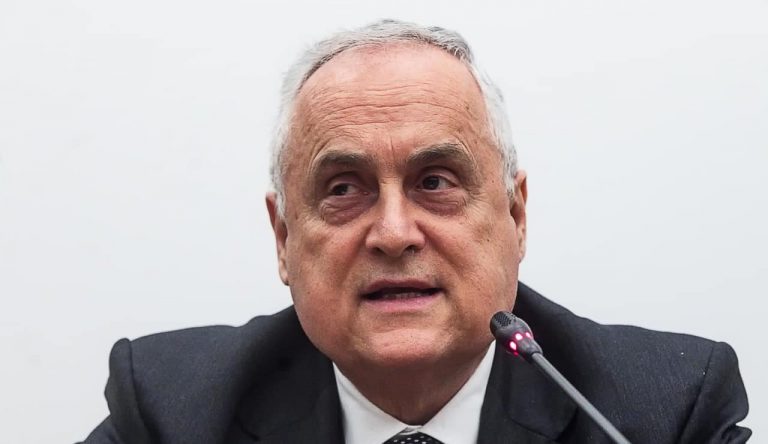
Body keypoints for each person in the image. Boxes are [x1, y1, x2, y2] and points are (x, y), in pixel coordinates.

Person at [81, 19, 750, 443]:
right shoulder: (174, 410)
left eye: (435, 182)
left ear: (515, 217)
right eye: (343, 190)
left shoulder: (663, 411)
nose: (394, 233)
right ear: (283, 237)